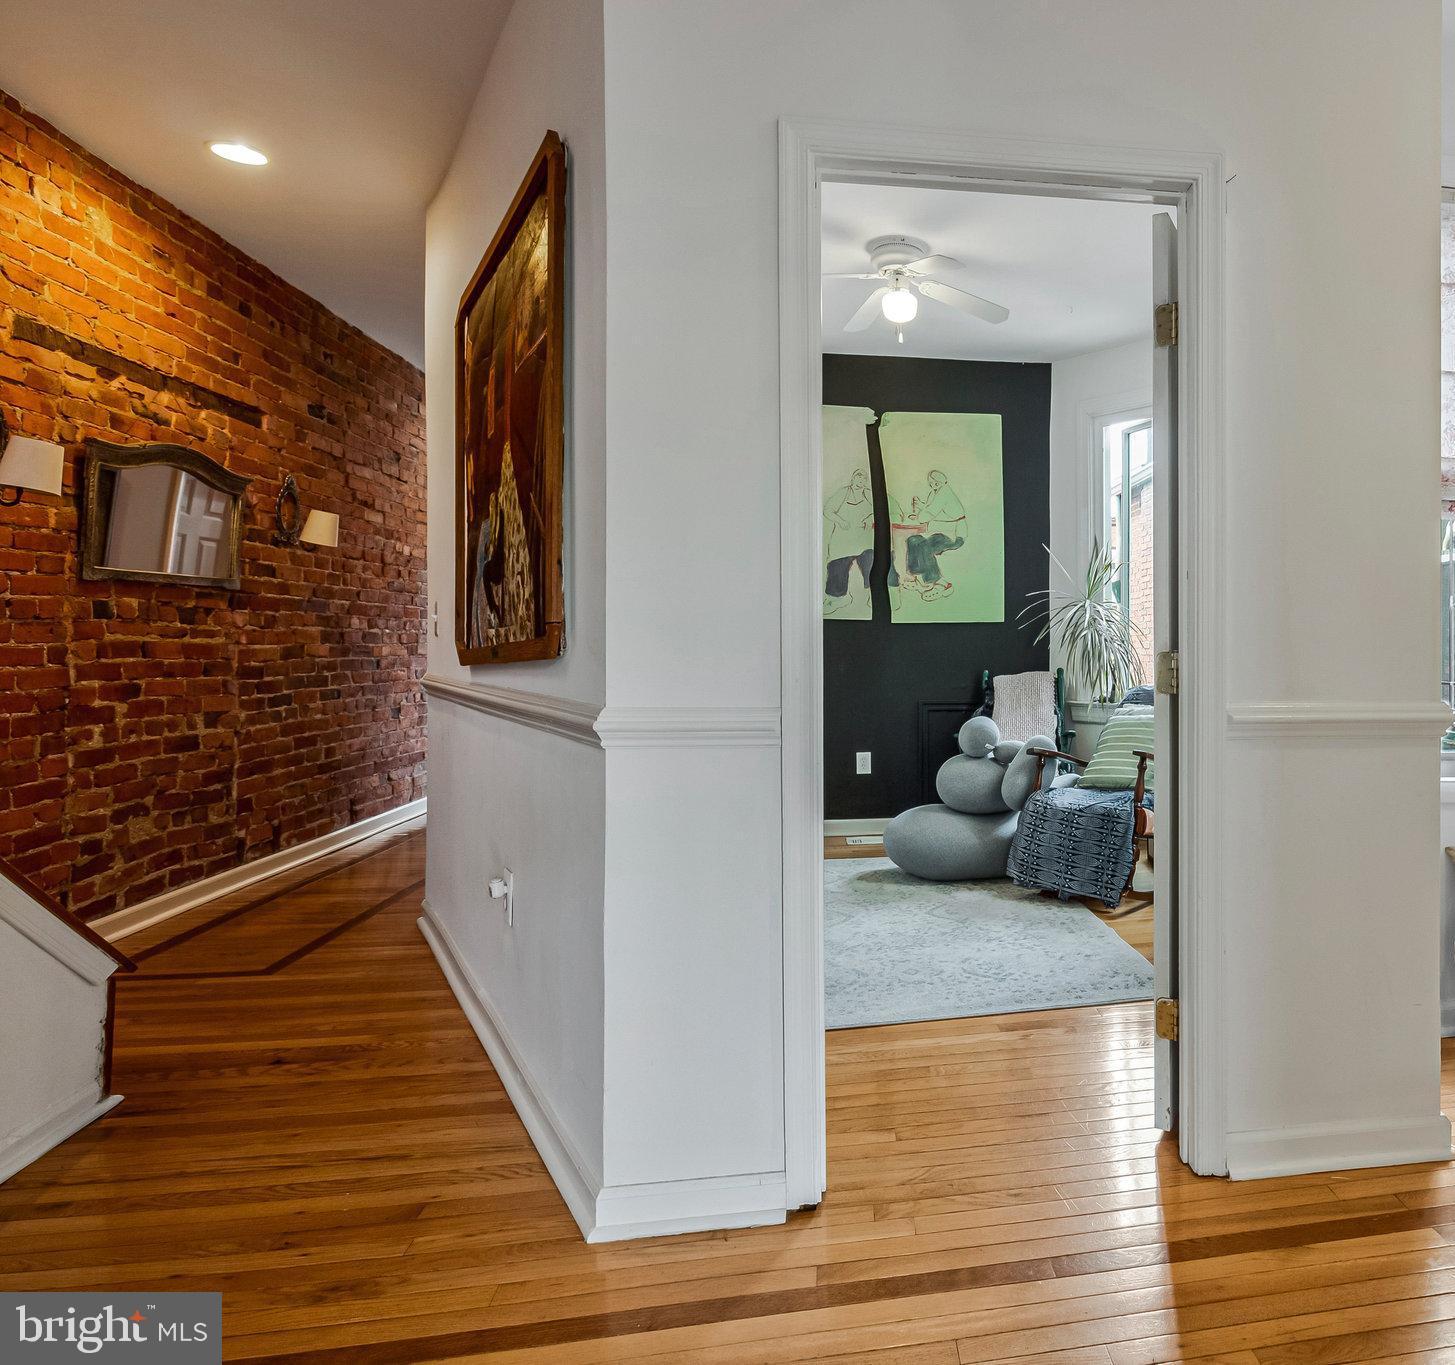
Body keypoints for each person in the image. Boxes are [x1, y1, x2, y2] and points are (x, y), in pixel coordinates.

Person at [903, 469, 966, 601]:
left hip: (952, 534)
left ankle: (941, 584)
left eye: (935, 483)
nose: (933, 485)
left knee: (924, 546)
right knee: (913, 540)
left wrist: (920, 515)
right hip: (936, 531)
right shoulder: (934, 492)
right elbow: (928, 509)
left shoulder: (945, 493)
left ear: (941, 482)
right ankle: (914, 577)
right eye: (931, 483)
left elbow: (929, 513)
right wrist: (920, 507)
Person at [823, 468, 875, 613]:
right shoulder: (843, 492)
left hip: (865, 540)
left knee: (871, 563)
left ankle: (872, 596)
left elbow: (892, 511)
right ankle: (837, 598)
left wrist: (871, 519)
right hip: (844, 539)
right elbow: (828, 510)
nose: (860, 481)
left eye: (864, 479)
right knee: (837, 564)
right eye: (858, 478)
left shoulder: (870, 495)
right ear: (852, 479)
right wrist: (840, 521)